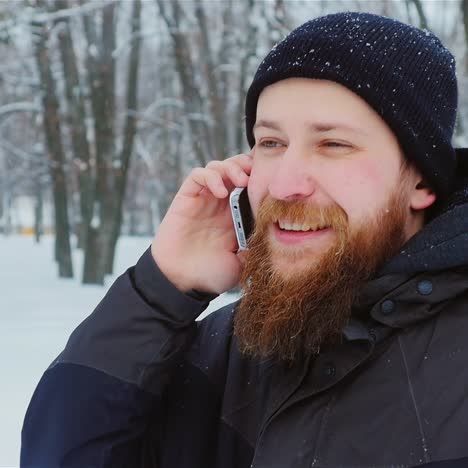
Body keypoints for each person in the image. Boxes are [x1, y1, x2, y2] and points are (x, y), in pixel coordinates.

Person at [21, 11, 468, 468]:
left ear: (421, 181)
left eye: (333, 144)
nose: (284, 183)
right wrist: (161, 290)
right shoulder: (232, 348)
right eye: (271, 143)